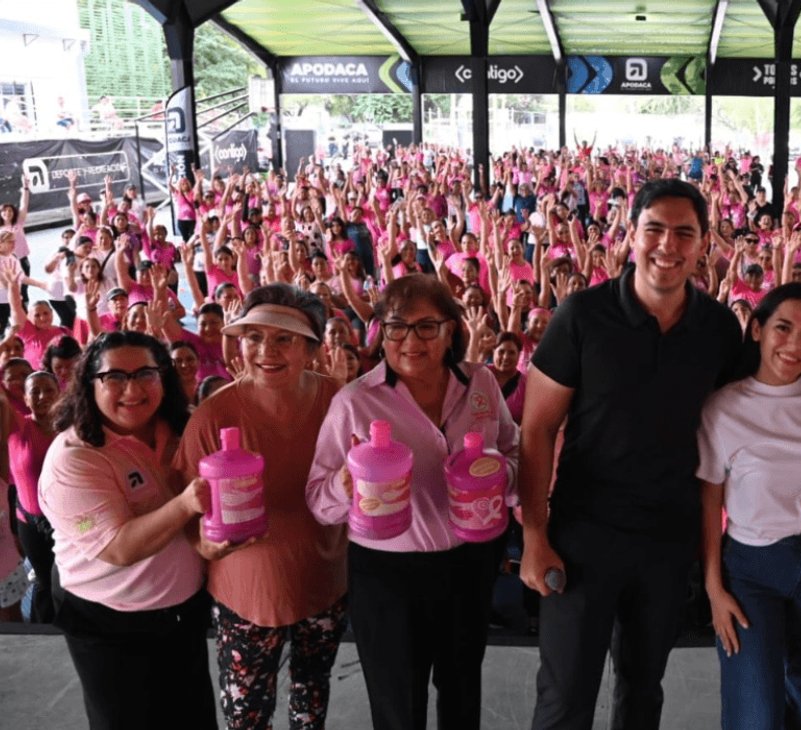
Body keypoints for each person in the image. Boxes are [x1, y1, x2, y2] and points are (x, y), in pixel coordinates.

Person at [519, 179, 742, 729]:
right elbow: (536, 431)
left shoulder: (717, 328)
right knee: (565, 697)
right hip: (582, 537)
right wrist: (534, 536)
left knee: (643, 693)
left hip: (668, 540)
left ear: (703, 242)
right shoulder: (582, 316)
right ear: (631, 235)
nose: (668, 245)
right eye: (655, 230)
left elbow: (737, 430)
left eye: (684, 233)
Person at [307, 274, 519, 730]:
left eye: (427, 326)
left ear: (451, 330)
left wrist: (504, 476)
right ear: (381, 331)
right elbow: (318, 501)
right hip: (387, 577)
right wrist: (346, 483)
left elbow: (512, 447)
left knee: (462, 692)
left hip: (469, 564)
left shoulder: (480, 382)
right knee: (398, 706)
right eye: (396, 327)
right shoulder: (354, 402)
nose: (410, 340)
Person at [175, 284, 347, 730]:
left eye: (283, 339)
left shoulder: (339, 402)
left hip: (323, 581)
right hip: (246, 592)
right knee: (246, 713)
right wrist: (206, 547)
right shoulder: (212, 417)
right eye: (254, 337)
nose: (266, 351)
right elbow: (187, 512)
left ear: (311, 348)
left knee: (312, 695)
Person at [37, 331, 217, 730]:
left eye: (145, 374)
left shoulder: (179, 427)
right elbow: (118, 547)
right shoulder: (73, 459)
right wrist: (186, 503)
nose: (132, 389)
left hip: (182, 618)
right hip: (109, 628)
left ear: (163, 378)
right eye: (114, 377)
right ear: (90, 383)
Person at [698, 283, 801, 730]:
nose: (795, 345)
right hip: (751, 568)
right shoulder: (722, 407)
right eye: (783, 328)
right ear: (757, 329)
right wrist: (714, 589)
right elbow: (709, 501)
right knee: (756, 712)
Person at [7, 370, 58, 622]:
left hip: (73, 524)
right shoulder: (17, 426)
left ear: (60, 394)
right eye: (34, 391)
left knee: (71, 577)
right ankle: (43, 632)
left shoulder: (73, 429)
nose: (42, 396)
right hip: (31, 525)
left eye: (48, 390)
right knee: (46, 578)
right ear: (25, 399)